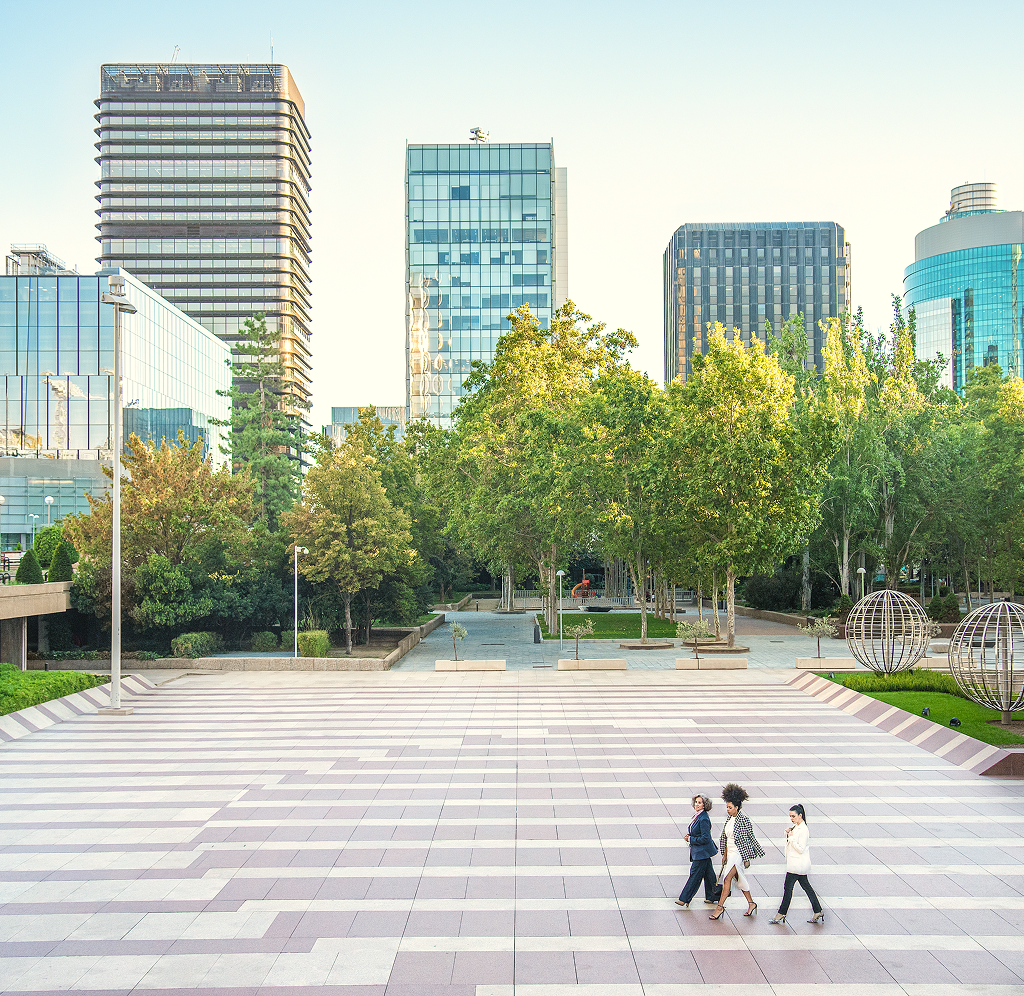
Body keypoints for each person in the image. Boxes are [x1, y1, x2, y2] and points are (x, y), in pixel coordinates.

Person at [709, 783, 764, 920]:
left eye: (730, 807)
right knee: (739, 879)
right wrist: (725, 855)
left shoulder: (743, 820)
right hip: (731, 853)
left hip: (739, 854)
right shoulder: (730, 819)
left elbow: (749, 838)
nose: (727, 810)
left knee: (727, 879)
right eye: (727, 807)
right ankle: (751, 903)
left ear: (737, 807)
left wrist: (747, 858)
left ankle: (720, 908)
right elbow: (727, 838)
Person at [770, 803, 824, 924]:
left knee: (788, 888)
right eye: (790, 816)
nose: (791, 818)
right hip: (796, 865)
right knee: (806, 887)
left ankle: (781, 913)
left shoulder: (803, 829)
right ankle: (818, 910)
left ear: (800, 815)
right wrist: (788, 834)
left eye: (793, 816)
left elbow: (800, 848)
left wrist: (791, 837)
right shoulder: (796, 827)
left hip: (797, 866)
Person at [674, 793, 718, 908]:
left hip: (701, 853)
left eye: (699, 803)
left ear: (704, 805)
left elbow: (705, 838)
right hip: (702, 852)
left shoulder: (703, 819)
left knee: (694, 875)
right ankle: (713, 896)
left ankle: (684, 899)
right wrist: (691, 835)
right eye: (696, 802)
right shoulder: (698, 816)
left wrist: (691, 839)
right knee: (709, 875)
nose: (697, 804)